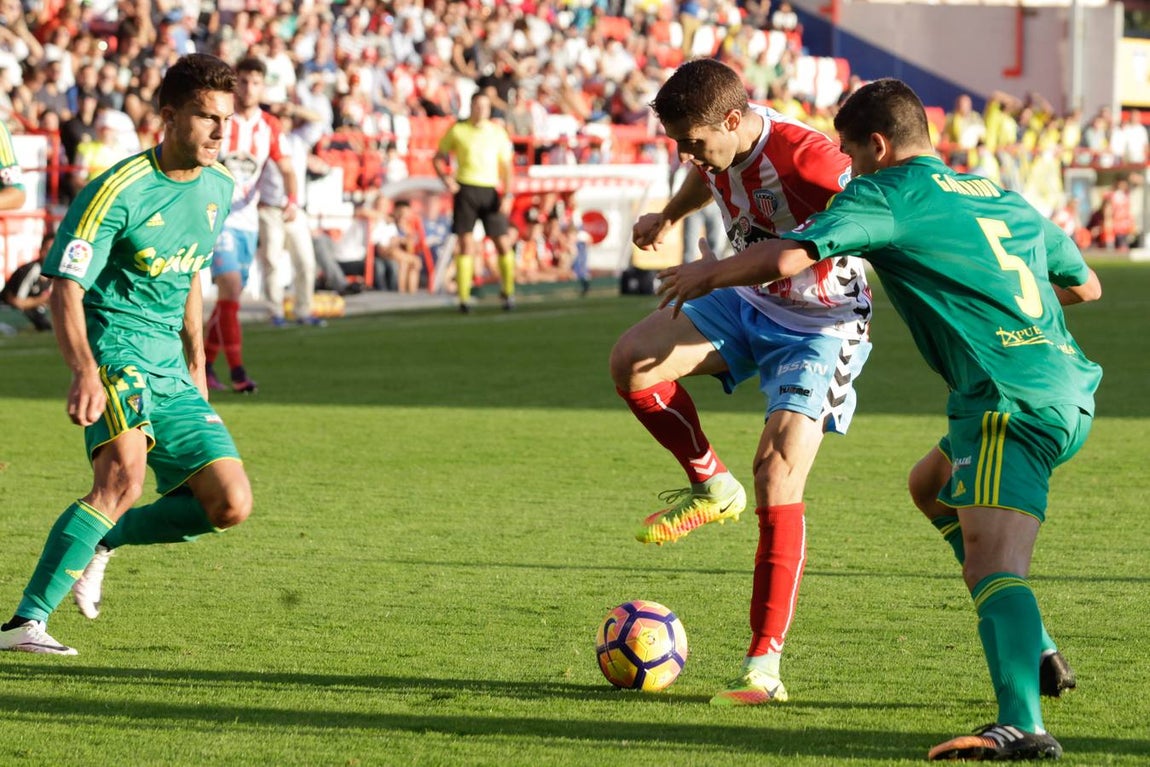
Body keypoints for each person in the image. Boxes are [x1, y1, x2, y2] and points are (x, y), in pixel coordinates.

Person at [655, 77, 1102, 762]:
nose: (848, 171)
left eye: (851, 155)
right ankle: (1030, 639)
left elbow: (790, 255)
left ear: (878, 146)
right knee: (928, 484)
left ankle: (1021, 725)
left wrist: (708, 272)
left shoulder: (882, 195)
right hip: (1067, 386)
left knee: (993, 563)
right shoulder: (994, 193)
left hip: (1004, 403)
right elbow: (1084, 284)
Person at [608, 58, 872, 706]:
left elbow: (877, 208)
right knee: (633, 361)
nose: (687, 152)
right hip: (750, 299)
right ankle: (710, 485)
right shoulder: (717, 149)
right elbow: (707, 175)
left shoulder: (808, 158)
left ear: (733, 119)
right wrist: (670, 215)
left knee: (777, 475)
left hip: (823, 323)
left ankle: (763, 667)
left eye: (693, 141)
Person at [0, 53, 253, 656]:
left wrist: (197, 363)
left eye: (226, 118)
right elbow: (67, 284)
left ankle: (103, 543)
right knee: (122, 478)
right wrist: (83, 368)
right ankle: (23, 625)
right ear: (168, 117)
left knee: (229, 504)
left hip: (172, 367)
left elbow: (190, 273)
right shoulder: (117, 189)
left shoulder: (220, 186)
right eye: (205, 117)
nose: (220, 132)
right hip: (115, 352)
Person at [205, 57, 299, 392]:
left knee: (229, 301)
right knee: (230, 289)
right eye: (242, 81)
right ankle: (239, 373)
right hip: (217, 218)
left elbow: (286, 167)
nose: (248, 88)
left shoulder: (269, 126)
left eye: (255, 82)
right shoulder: (221, 119)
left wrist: (292, 199)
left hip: (249, 220)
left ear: (263, 85)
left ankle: (203, 364)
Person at [433, 91, 517, 313]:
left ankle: (508, 291)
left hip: (490, 190)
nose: (481, 110)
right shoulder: (459, 130)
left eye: (485, 106)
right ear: (471, 107)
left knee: (502, 242)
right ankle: (464, 298)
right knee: (466, 244)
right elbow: (438, 157)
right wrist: (446, 178)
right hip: (466, 188)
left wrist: (508, 194)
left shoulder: (497, 133)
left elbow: (507, 168)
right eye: (478, 105)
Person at [256, 106, 324, 327]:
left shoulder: (297, 140)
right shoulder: (263, 140)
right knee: (272, 262)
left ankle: (303, 309)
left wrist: (293, 107)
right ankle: (274, 311)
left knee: (305, 261)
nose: (283, 121)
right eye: (279, 117)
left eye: (286, 117)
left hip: (296, 209)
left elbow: (318, 120)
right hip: (271, 207)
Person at [1, 226, 54, 332]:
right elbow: (16, 302)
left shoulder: (53, 274)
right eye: (47, 250)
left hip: (29, 313)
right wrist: (44, 300)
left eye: (53, 251)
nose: (50, 255)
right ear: (40, 251)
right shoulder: (33, 269)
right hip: (8, 312)